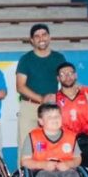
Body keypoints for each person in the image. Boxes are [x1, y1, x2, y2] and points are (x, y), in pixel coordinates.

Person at [16, 24, 66, 163]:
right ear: (32, 40)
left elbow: (66, 80)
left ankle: (50, 175)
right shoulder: (26, 59)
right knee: (26, 145)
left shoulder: (59, 58)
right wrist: (41, 98)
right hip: (29, 107)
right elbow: (20, 86)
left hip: (52, 109)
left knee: (52, 144)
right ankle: (23, 176)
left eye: (44, 35)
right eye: (37, 36)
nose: (41, 38)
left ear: (49, 37)